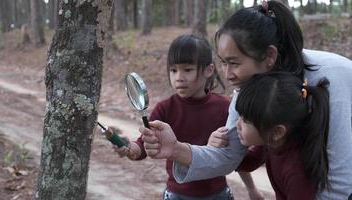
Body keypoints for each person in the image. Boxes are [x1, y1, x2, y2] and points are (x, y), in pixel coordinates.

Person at [140, 1, 352, 199]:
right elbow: (228, 156)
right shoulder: (248, 89)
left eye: (234, 63)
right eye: (223, 63)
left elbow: (341, 183)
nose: (227, 74)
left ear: (269, 56)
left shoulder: (332, 76)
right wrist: (177, 149)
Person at [113, 34, 261, 199]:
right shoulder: (165, 108)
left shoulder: (225, 107)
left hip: (217, 194)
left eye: (187, 70)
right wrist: (128, 148)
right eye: (173, 70)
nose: (179, 78)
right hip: (177, 194)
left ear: (209, 70)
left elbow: (235, 155)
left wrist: (251, 189)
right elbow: (142, 147)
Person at [235, 72, 329, 199]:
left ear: (277, 132)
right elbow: (248, 162)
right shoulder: (273, 141)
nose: (237, 124)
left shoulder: (297, 172)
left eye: (245, 120)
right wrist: (224, 148)